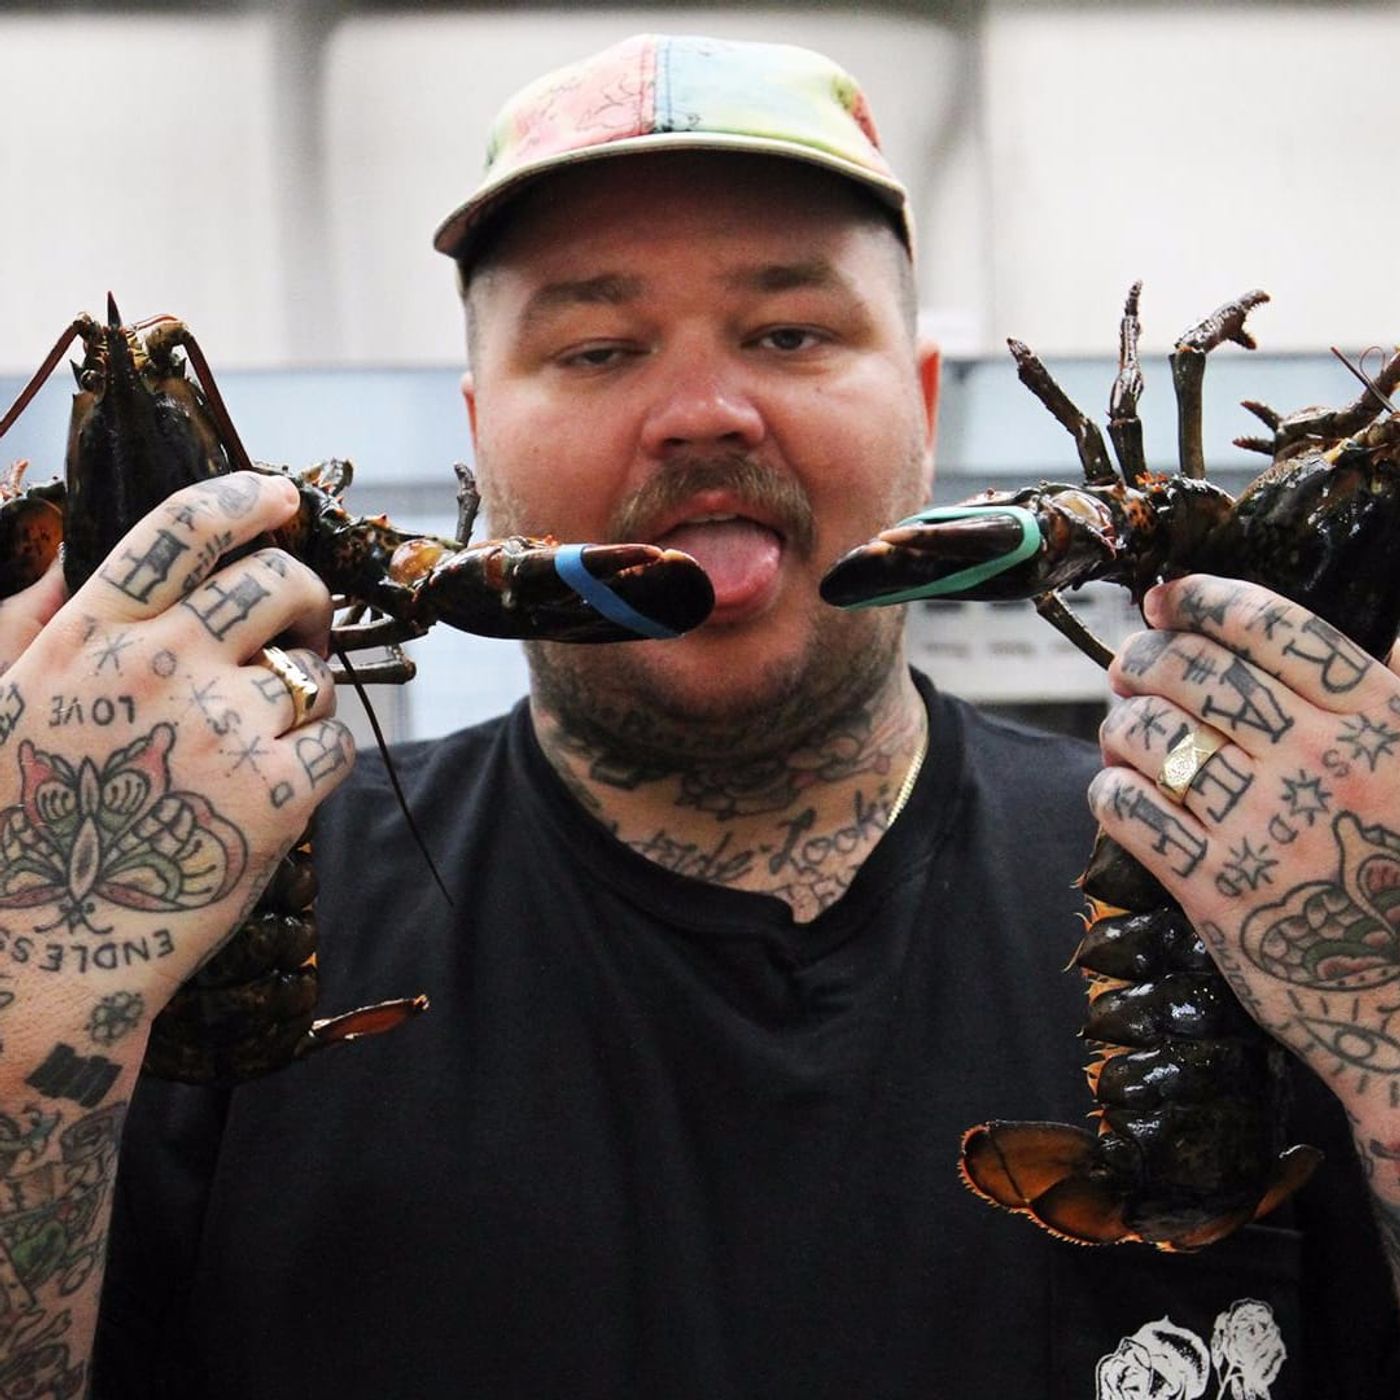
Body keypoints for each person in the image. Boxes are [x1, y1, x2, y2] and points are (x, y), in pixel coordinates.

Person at [0, 31, 1391, 1399]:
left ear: (921, 407)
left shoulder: (1282, 887)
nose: (703, 412)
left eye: (790, 332)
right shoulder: (172, 899)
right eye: (599, 347)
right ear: (480, 433)